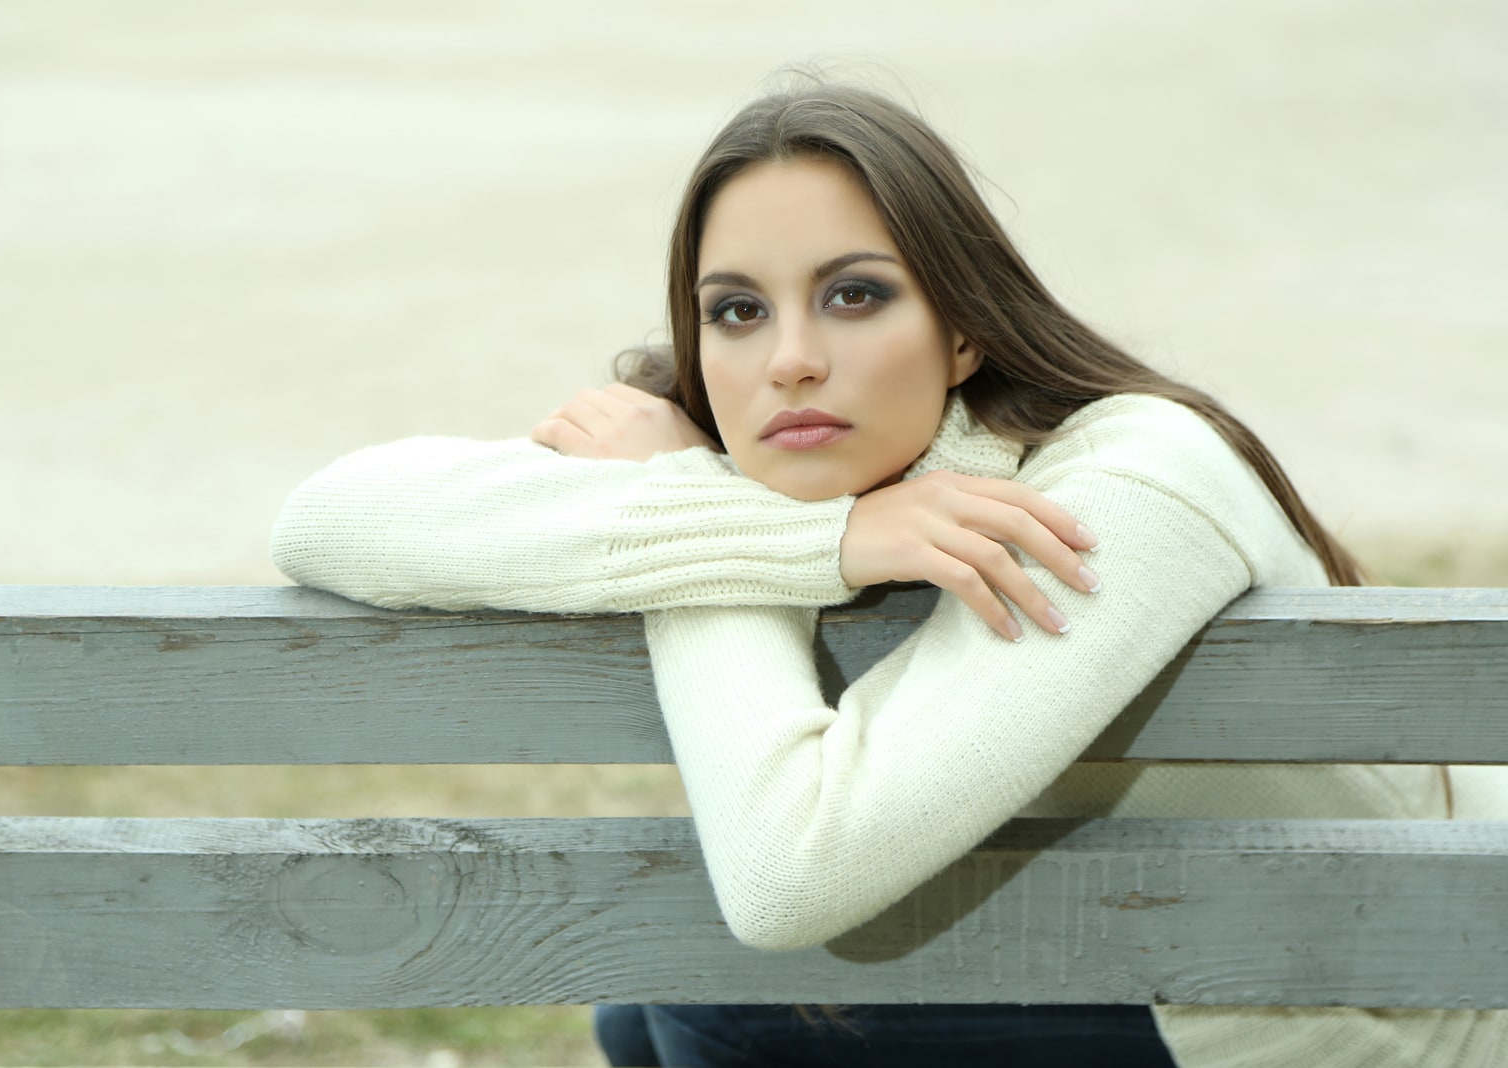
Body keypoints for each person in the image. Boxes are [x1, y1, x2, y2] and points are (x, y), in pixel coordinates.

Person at [270, 80, 1503, 1067]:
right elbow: (326, 518)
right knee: (644, 1014)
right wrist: (791, 532)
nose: (791, 359)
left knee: (715, 1008)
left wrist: (705, 503)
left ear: (964, 326)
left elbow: (786, 877)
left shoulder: (1126, 486)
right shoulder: (767, 458)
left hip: (1362, 1018)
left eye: (854, 297)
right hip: (1167, 952)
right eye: (737, 312)